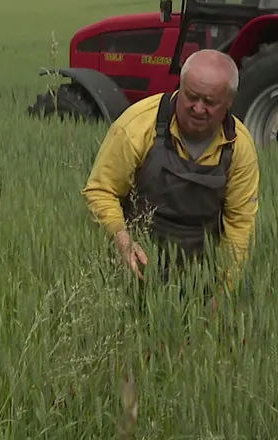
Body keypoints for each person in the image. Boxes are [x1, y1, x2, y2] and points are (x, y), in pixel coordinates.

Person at [80, 49, 260, 302]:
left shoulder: (239, 146)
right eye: (191, 97)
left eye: (209, 102)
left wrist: (225, 292)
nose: (198, 108)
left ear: (229, 102)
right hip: (137, 261)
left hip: (201, 272)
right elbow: (101, 190)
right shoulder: (137, 125)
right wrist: (121, 238)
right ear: (181, 87)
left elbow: (240, 223)